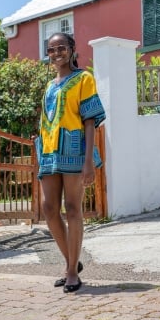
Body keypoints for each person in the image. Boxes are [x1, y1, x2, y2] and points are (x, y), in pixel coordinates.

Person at [35, 32, 105, 293]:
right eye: (51, 50)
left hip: (75, 151)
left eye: (61, 48)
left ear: (72, 49)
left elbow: (89, 120)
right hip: (50, 152)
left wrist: (88, 160)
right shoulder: (51, 85)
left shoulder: (84, 79)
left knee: (73, 208)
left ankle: (72, 271)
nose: (56, 54)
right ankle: (71, 261)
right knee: (49, 210)